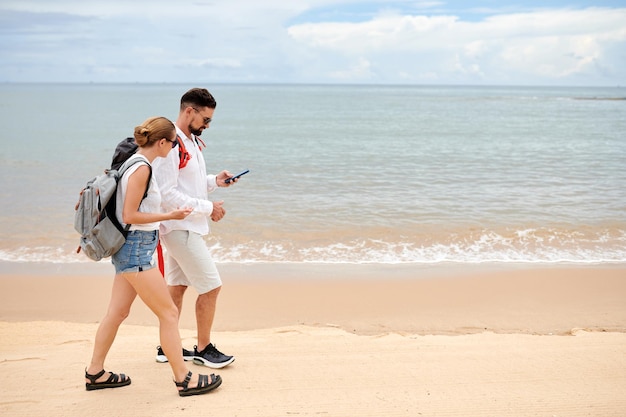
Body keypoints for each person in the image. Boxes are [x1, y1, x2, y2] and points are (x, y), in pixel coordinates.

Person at [84, 116, 222, 397]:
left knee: (118, 312)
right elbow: (130, 215)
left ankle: (95, 372)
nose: (174, 149)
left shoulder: (133, 162)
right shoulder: (142, 168)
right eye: (173, 144)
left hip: (131, 249)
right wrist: (170, 215)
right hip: (136, 250)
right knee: (169, 313)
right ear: (161, 142)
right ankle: (184, 379)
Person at [152, 88, 236, 368]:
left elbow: (189, 183)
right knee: (211, 287)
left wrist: (214, 181)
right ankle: (203, 348)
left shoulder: (190, 141)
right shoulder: (172, 143)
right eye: (206, 120)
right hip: (180, 227)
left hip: (181, 227)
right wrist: (210, 208)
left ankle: (167, 347)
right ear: (190, 111)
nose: (207, 126)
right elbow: (167, 193)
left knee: (177, 287)